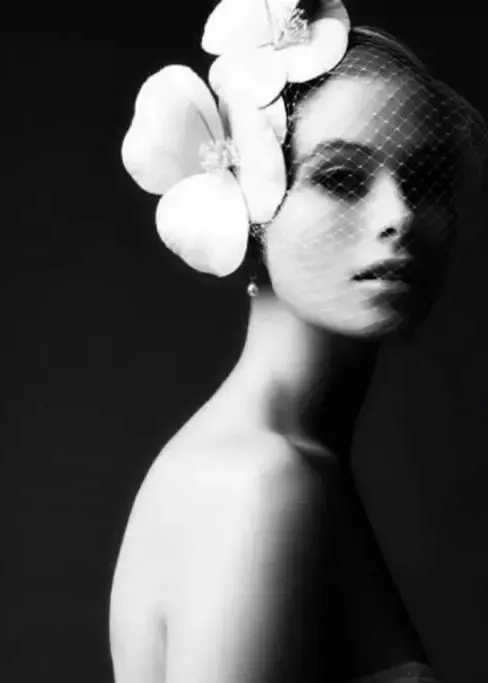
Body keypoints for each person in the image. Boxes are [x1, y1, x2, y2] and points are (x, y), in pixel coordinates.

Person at [109, 2, 487, 681]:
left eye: (426, 179)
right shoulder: (260, 486)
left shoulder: (286, 465)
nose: (400, 216)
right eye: (341, 179)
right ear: (250, 202)